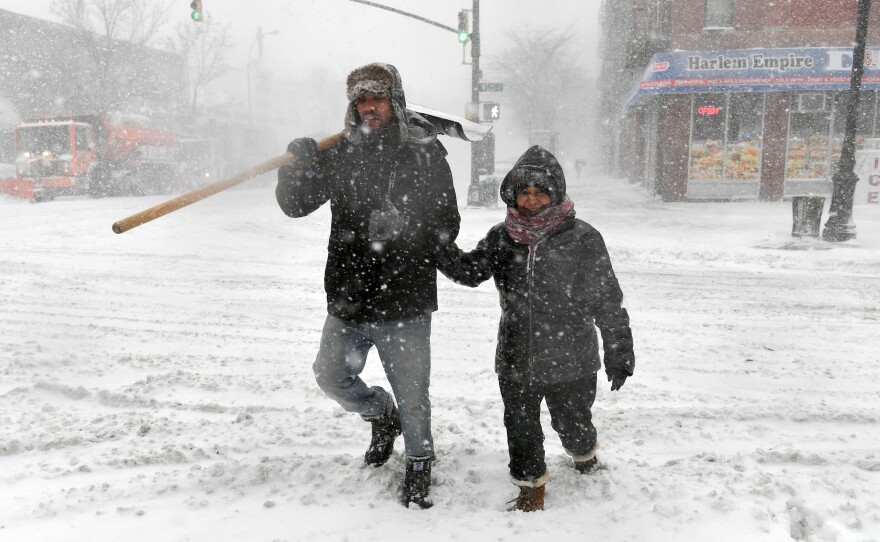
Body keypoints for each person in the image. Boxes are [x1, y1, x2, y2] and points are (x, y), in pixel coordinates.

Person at [275, 62, 460, 509]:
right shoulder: (338, 153)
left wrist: (407, 227)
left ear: (393, 101)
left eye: (376, 98)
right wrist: (296, 166)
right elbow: (296, 205)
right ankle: (380, 415)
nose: (368, 107)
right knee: (330, 376)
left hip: (406, 298)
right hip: (348, 296)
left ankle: (419, 460)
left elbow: (448, 223)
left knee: (414, 397)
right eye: (360, 100)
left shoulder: (424, 152)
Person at [438, 146, 635, 512]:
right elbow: (469, 272)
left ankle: (583, 453)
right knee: (521, 427)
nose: (530, 200)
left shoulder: (583, 238)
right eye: (524, 192)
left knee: (573, 424)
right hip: (516, 357)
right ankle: (531, 487)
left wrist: (619, 350)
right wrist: (437, 246)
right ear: (513, 194)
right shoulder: (502, 236)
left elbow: (607, 299)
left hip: (572, 358)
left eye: (540, 192)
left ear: (555, 194)